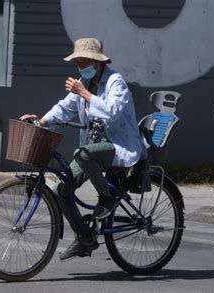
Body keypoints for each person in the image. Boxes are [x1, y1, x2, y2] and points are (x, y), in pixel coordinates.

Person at [20, 38, 146, 260]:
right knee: (61, 189)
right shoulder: (84, 83)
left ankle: (106, 198)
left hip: (118, 146)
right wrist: (43, 121)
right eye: (78, 63)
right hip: (94, 148)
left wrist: (85, 94)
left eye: (84, 62)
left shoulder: (116, 82)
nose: (81, 67)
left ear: (97, 62)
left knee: (83, 154)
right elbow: (65, 107)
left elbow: (112, 111)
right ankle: (85, 238)